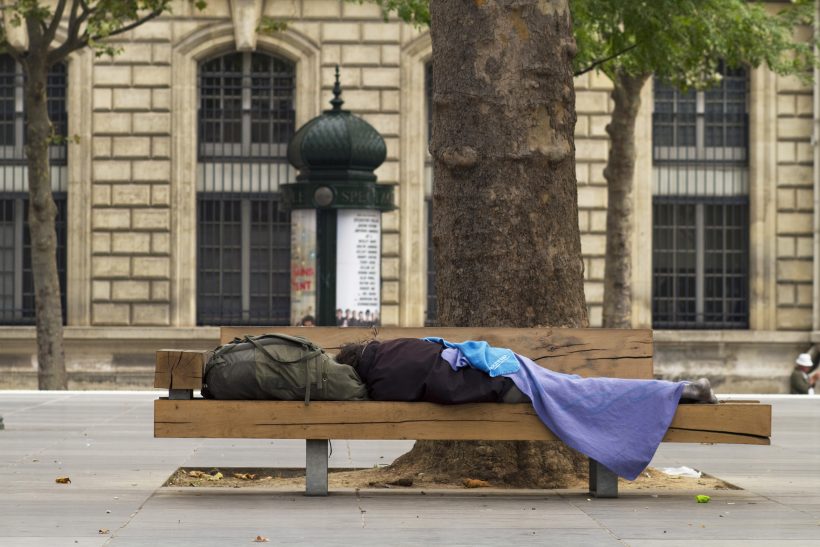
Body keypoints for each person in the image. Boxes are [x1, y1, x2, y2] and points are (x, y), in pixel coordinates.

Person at [335, 336, 717, 481]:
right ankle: (677, 390)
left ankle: (674, 392)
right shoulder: (394, 348)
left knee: (587, 397)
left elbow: (434, 387)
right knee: (584, 391)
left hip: (506, 384)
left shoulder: (382, 375)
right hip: (507, 368)